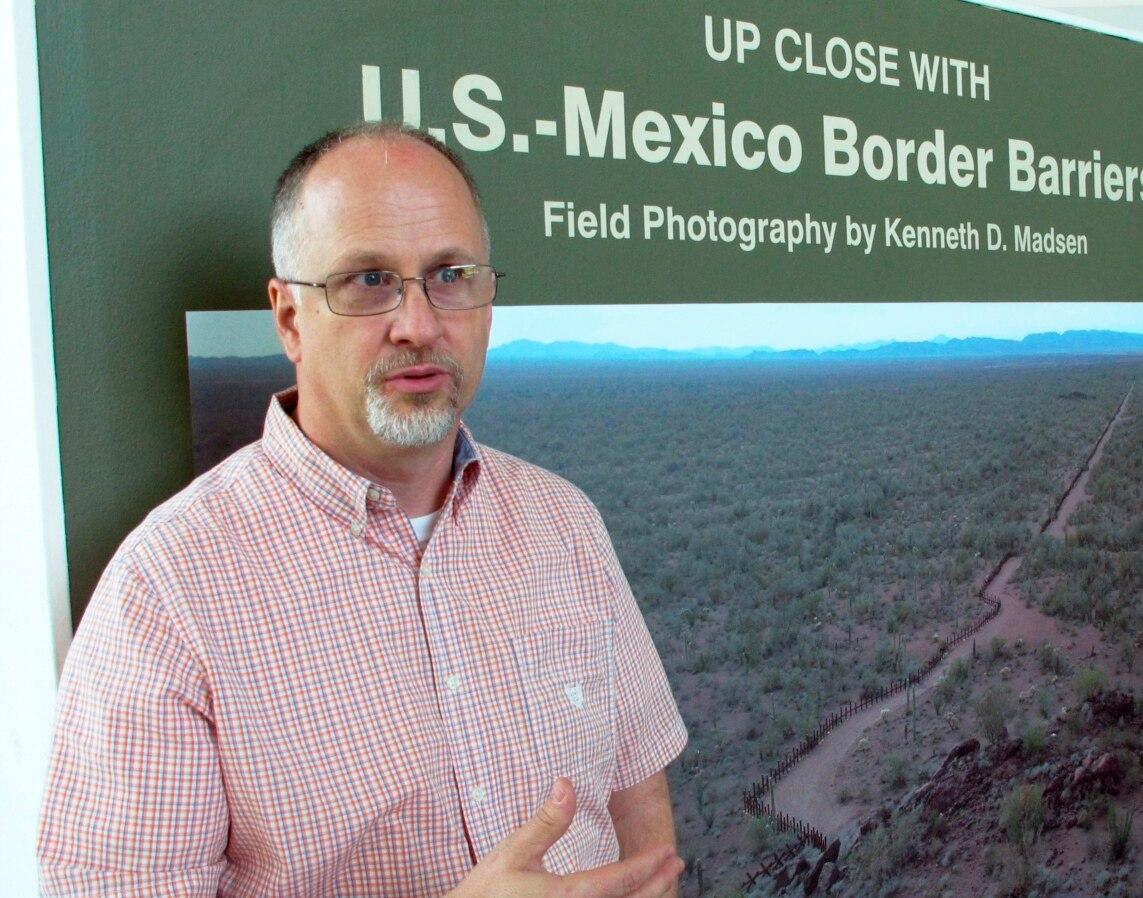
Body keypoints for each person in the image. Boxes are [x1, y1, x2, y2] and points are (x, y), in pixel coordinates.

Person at [37, 122, 688, 898]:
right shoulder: (167, 593)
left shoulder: (561, 522)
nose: (418, 324)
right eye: (368, 281)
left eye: (449, 275)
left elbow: (637, 799)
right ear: (288, 320)